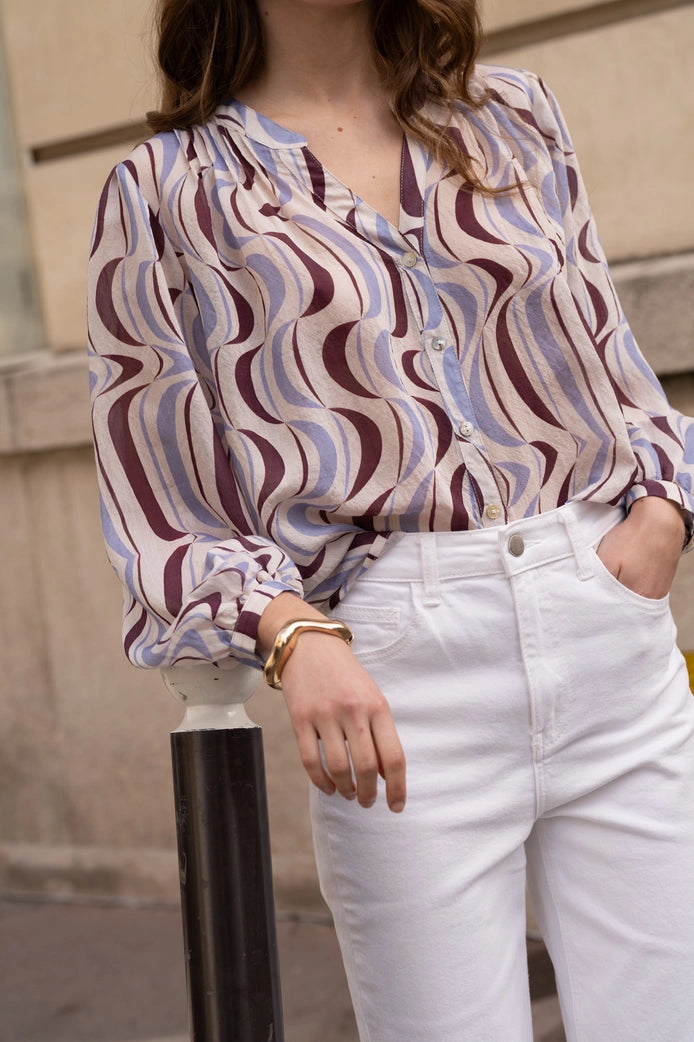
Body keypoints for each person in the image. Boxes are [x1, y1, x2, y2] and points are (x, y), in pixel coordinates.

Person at [88, 1, 694, 1039]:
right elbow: (158, 486)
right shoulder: (168, 189)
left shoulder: (512, 118)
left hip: (607, 634)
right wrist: (292, 630)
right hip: (398, 686)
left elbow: (613, 369)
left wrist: (661, 516)